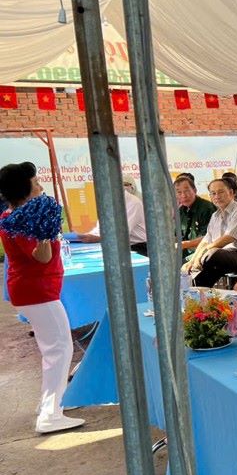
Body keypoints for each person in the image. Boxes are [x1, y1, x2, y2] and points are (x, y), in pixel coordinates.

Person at [0, 162, 82, 433]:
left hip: (35, 291)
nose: (41, 187)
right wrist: (45, 233)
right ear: (24, 189)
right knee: (60, 350)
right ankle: (50, 413)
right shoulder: (20, 220)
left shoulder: (15, 217)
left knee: (55, 349)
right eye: (36, 184)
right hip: (38, 292)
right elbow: (42, 257)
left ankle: (51, 403)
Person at [184, 178, 237, 288]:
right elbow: (205, 241)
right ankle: (196, 290)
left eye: (221, 192)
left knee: (212, 255)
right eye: (213, 193)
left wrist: (203, 253)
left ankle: (197, 289)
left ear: (231, 192)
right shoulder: (215, 215)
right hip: (223, 256)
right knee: (206, 263)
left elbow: (229, 238)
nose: (217, 196)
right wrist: (192, 260)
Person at [78, 178, 148, 257]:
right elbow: (101, 227)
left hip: (138, 248)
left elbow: (122, 232)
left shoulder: (134, 203)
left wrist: (99, 238)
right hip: (118, 246)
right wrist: (86, 236)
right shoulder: (108, 202)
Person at [175, 175, 216, 262]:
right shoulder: (180, 210)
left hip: (204, 252)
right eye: (179, 192)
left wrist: (185, 244)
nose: (183, 196)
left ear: (195, 190)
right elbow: (176, 235)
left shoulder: (206, 208)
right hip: (185, 252)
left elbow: (208, 238)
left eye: (186, 191)